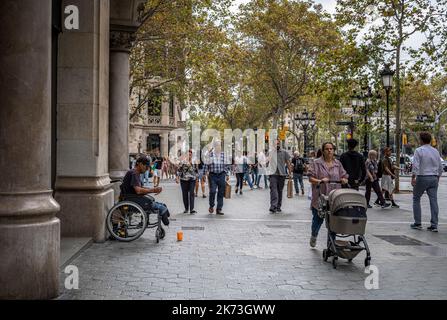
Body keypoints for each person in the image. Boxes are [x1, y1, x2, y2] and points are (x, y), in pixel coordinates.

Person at [307, 142, 348, 248]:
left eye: (331, 149)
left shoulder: (337, 163)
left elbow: (344, 175)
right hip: (320, 197)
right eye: (327, 149)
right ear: (323, 151)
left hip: (335, 197)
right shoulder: (316, 163)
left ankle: (331, 244)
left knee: (333, 221)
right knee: (318, 219)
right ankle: (314, 235)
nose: (329, 151)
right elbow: (310, 178)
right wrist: (320, 181)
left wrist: (344, 180)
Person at [120, 155, 170, 226]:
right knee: (159, 206)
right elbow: (138, 190)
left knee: (160, 204)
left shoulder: (135, 173)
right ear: (140, 164)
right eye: (146, 167)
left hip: (133, 198)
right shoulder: (134, 173)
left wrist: (153, 189)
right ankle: (164, 218)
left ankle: (162, 214)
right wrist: (153, 190)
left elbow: (140, 188)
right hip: (133, 199)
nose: (147, 169)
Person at [410, 132, 443, 232]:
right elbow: (440, 166)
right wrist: (438, 177)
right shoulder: (435, 151)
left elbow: (415, 165)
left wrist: (413, 177)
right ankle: (434, 225)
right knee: (433, 200)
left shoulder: (419, 150)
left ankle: (418, 223)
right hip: (433, 177)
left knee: (416, 198)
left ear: (421, 140)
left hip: (422, 176)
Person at [203, 141, 231, 215]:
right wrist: (204, 174)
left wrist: (227, 174)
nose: (219, 147)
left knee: (221, 192)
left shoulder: (224, 155)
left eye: (220, 146)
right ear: (214, 147)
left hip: (222, 175)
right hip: (212, 175)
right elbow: (206, 165)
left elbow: (227, 165)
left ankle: (219, 209)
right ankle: (211, 206)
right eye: (218, 146)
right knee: (212, 191)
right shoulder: (210, 155)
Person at [267, 139, 293, 213]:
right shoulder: (271, 152)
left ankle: (278, 206)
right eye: (275, 144)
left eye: (278, 144)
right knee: (273, 190)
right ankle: (273, 206)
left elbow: (288, 163)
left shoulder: (284, 152)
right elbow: (267, 162)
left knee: (279, 191)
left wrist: (290, 173)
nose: (277, 145)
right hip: (273, 174)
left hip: (282, 174)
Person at [176, 150, 198, 214]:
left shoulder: (194, 161)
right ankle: (186, 208)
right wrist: (177, 177)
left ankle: (192, 209)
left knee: (192, 193)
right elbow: (179, 170)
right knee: (184, 194)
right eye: (188, 154)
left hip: (192, 179)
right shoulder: (182, 161)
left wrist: (197, 178)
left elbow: (196, 170)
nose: (189, 155)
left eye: (190, 154)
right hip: (184, 179)